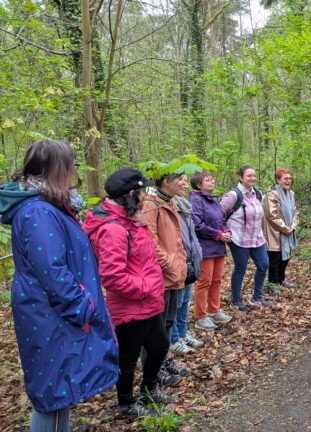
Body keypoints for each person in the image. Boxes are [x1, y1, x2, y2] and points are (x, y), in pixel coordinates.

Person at [0, 140, 118, 431]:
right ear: (57, 169)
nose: (75, 170)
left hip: (54, 314)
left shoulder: (50, 208)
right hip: (51, 316)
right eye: (71, 164)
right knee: (53, 394)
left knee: (60, 391)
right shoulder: (38, 212)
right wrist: (83, 305)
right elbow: (51, 270)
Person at [84, 168, 172, 419]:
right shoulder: (112, 229)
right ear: (131, 194)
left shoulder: (129, 219)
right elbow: (112, 276)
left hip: (149, 301)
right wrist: (146, 288)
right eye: (142, 193)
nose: (145, 198)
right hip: (131, 305)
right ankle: (126, 403)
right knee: (128, 358)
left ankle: (148, 390)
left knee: (159, 346)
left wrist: (152, 289)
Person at [140, 172, 188, 386]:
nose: (185, 183)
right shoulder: (152, 206)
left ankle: (163, 360)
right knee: (155, 329)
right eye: (181, 179)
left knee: (168, 323)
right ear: (165, 182)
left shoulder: (171, 203)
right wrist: (170, 266)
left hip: (174, 274)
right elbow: (151, 242)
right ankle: (153, 368)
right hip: (161, 276)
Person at [221, 165, 272, 312]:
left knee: (263, 265)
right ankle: (236, 301)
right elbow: (219, 214)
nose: (252, 178)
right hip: (239, 239)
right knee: (240, 268)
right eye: (249, 176)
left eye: (254, 176)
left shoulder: (258, 193)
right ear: (241, 177)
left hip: (257, 238)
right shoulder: (233, 195)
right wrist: (225, 231)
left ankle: (257, 297)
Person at [189, 171, 233, 330]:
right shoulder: (195, 200)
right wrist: (218, 235)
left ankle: (214, 311)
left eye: (212, 178)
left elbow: (220, 220)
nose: (212, 181)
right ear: (199, 184)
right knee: (204, 282)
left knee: (216, 280)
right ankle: (201, 316)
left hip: (218, 246)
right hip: (204, 247)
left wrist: (226, 232)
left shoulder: (213, 200)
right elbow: (197, 225)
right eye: (208, 180)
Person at [169, 174, 205, 355]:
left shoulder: (184, 207)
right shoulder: (165, 207)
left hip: (190, 261)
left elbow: (191, 235)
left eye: (185, 179)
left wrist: (197, 253)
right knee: (175, 304)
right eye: (180, 179)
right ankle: (174, 339)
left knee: (185, 301)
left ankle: (182, 334)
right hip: (176, 263)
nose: (184, 183)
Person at [263, 167, 299, 289]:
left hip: (288, 231)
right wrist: (285, 229)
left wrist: (292, 226)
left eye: (290, 178)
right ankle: (272, 283)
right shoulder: (271, 194)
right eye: (285, 178)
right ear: (278, 180)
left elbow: (295, 212)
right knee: (275, 259)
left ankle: (281, 279)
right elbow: (271, 216)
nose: (288, 181)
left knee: (286, 256)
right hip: (275, 232)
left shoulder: (291, 194)